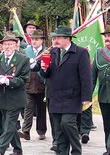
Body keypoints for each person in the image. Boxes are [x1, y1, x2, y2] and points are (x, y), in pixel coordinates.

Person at [40, 25, 92, 155]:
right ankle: (62, 152)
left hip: (72, 97)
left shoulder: (80, 53)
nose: (55, 40)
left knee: (67, 123)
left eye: (58, 38)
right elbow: (46, 74)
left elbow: (86, 77)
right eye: (55, 38)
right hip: (55, 96)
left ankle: (76, 150)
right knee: (58, 129)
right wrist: (44, 68)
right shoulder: (52, 52)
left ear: (68, 38)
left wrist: (86, 97)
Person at [0, 33, 30, 155]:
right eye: (5, 44)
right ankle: (18, 149)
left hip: (16, 97)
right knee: (9, 124)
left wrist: (8, 81)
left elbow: (24, 79)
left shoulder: (23, 59)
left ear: (16, 45)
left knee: (9, 124)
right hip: (2, 96)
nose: (7, 47)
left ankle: (0, 148)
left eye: (10, 44)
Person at [18, 30, 47, 141]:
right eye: (33, 39)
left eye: (37, 39)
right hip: (29, 84)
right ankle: (26, 131)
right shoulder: (25, 52)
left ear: (41, 40)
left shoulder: (46, 51)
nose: (34, 41)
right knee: (28, 108)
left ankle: (41, 131)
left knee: (41, 109)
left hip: (42, 84)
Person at [92, 25, 110, 155]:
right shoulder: (98, 53)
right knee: (107, 124)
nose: (107, 38)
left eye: (109, 36)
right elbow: (92, 77)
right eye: (106, 36)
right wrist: (88, 94)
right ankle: (107, 148)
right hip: (104, 95)